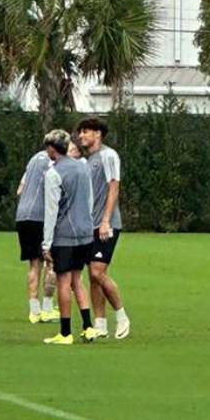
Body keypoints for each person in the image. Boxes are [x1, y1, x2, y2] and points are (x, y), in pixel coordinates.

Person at [39, 129, 98, 346]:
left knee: (63, 281)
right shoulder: (83, 168)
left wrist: (46, 243)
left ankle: (65, 332)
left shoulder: (53, 173)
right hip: (85, 233)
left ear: (52, 149)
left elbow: (51, 210)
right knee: (77, 280)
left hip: (65, 235)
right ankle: (88, 327)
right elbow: (90, 201)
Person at [77, 117, 130, 340]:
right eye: (80, 132)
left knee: (98, 272)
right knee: (93, 275)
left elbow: (114, 187)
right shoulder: (88, 160)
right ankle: (100, 324)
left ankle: (122, 316)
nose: (81, 136)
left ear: (98, 134)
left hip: (106, 225)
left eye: (86, 132)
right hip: (91, 225)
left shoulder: (108, 155)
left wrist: (106, 220)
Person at [15, 133, 58, 323]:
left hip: (23, 215)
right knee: (52, 262)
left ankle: (34, 310)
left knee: (34, 264)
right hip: (41, 216)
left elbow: (20, 189)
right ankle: (47, 308)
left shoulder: (33, 159)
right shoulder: (53, 163)